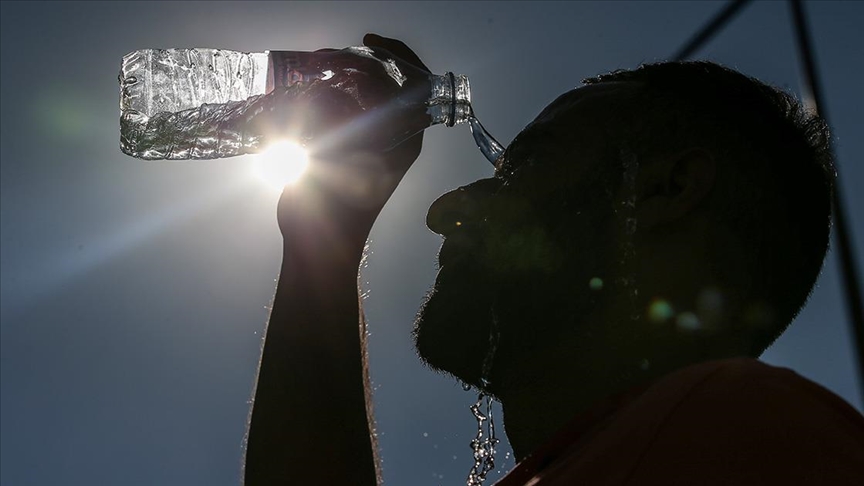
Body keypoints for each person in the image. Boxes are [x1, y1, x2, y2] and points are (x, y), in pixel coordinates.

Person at [242, 34, 864, 485]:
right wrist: (322, 243)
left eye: (528, 166)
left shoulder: (749, 433)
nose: (445, 209)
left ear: (666, 191)